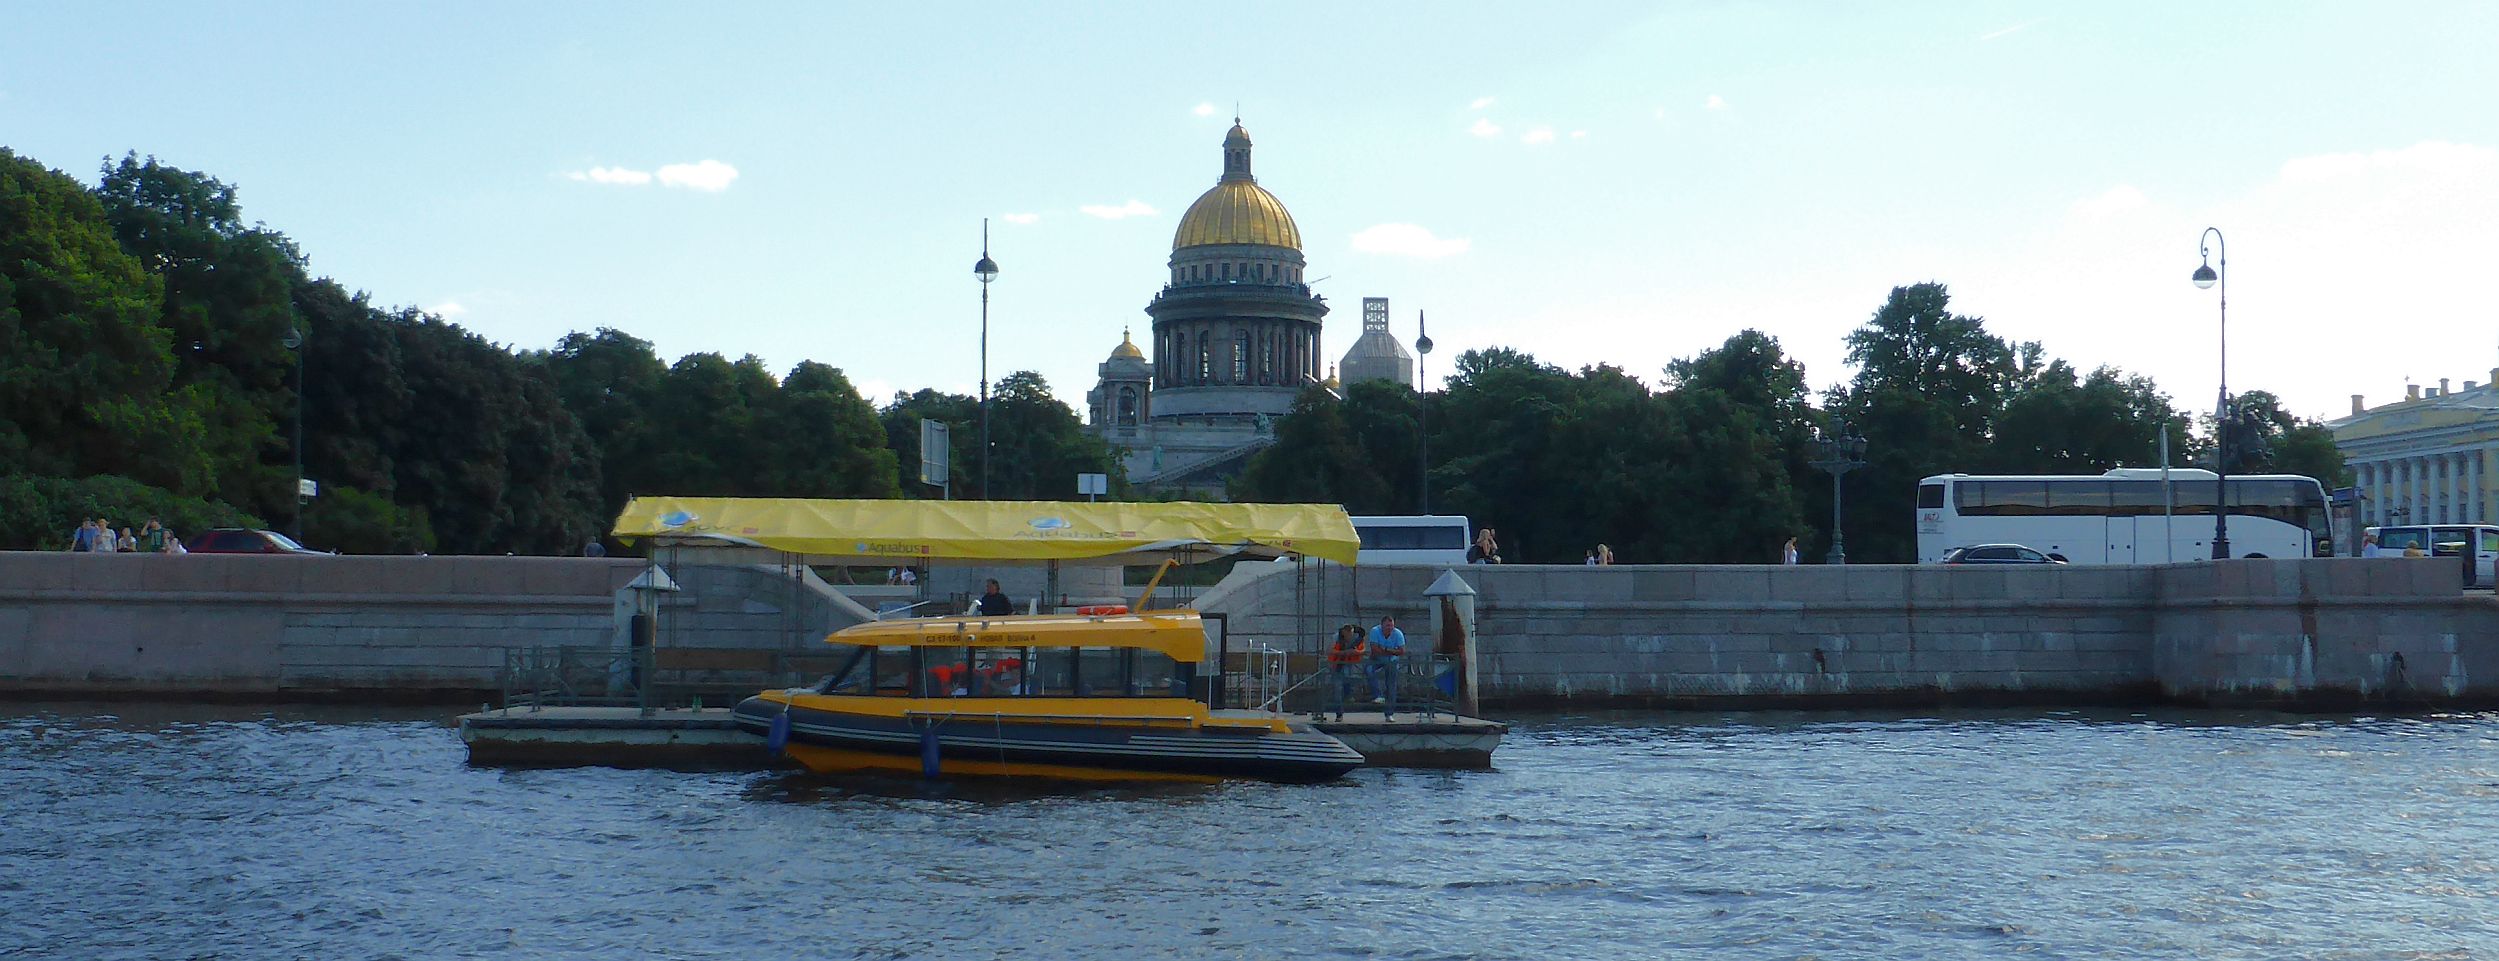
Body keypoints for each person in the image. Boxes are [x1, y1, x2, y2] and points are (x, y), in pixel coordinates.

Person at [1365, 614, 1408, 721]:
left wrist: (1386, 650)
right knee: (1369, 670)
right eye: (1387, 626)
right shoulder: (1375, 631)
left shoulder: (1398, 633)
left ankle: (1389, 713)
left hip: (1392, 661)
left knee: (1391, 686)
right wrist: (1392, 651)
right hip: (1376, 659)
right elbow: (1374, 649)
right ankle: (1377, 695)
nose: (1390, 628)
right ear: (1382, 625)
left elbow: (1402, 651)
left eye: (1391, 626)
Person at [1321, 624, 1367, 721]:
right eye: (1347, 634)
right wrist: (1344, 652)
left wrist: (1355, 652)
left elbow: (1363, 650)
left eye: (1351, 634)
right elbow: (1329, 651)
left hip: (1351, 664)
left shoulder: (1357, 638)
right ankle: (1339, 713)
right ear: (1343, 632)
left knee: (1349, 684)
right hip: (1337, 665)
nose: (1349, 637)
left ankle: (1348, 696)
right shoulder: (1336, 637)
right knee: (1337, 689)